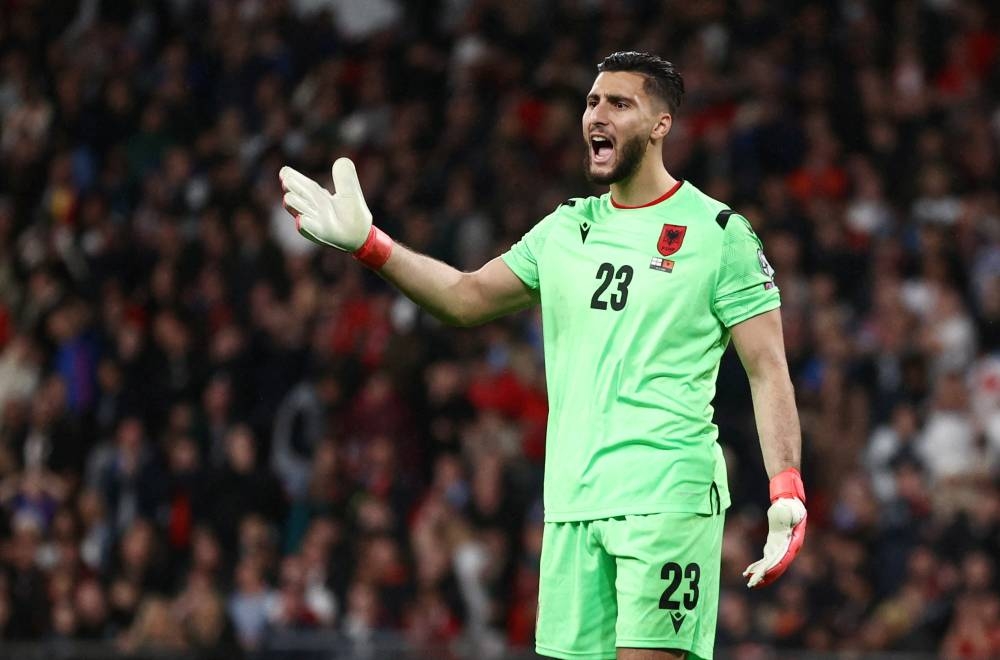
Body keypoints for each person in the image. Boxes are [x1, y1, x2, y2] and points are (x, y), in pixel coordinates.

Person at [279, 51, 807, 660]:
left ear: (661, 124)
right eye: (592, 101)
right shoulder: (564, 230)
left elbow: (767, 369)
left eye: (619, 103)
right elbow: (465, 297)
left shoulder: (718, 234)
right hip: (571, 503)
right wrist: (371, 246)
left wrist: (785, 488)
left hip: (666, 497)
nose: (597, 115)